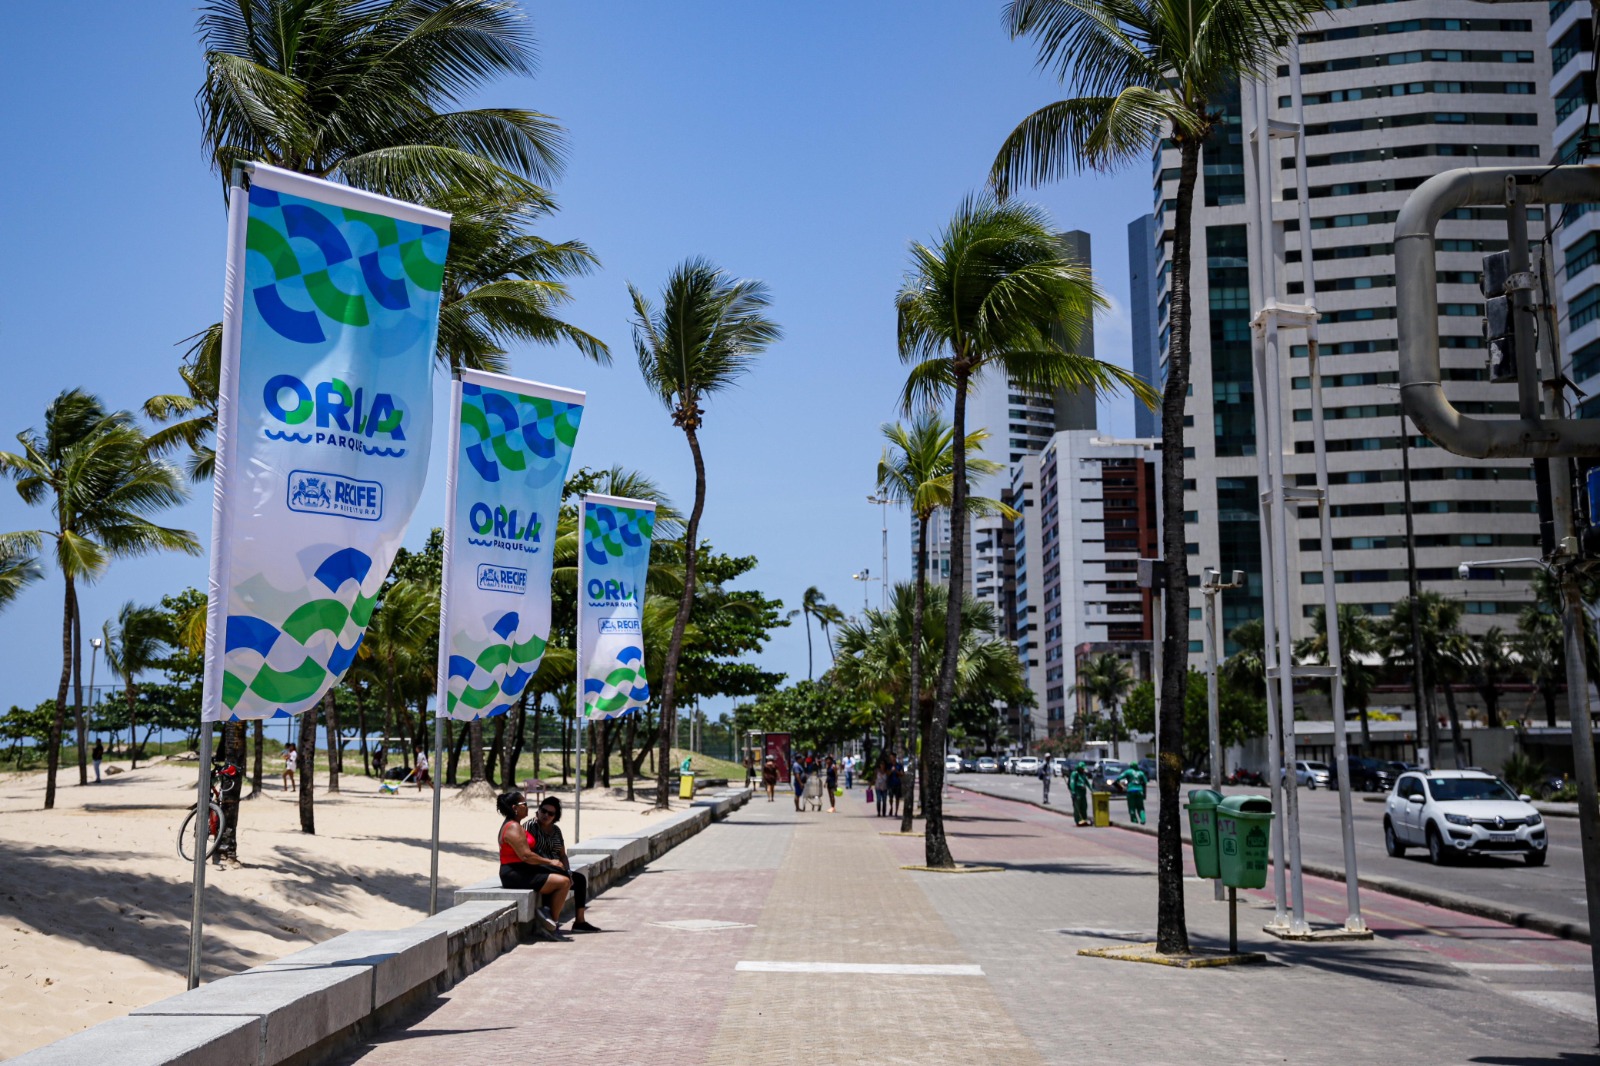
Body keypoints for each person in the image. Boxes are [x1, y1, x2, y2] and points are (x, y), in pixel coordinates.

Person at [496, 791, 568, 935]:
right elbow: (526, 856)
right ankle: (551, 925)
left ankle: (547, 915)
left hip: (522, 870)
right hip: (514, 873)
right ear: (515, 807)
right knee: (563, 882)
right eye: (524, 804)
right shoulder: (513, 827)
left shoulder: (515, 824)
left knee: (563, 876)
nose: (528, 807)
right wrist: (551, 862)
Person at [528, 796, 600, 932]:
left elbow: (562, 855)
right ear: (538, 810)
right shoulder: (531, 826)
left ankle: (580, 921)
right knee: (562, 880)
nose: (546, 815)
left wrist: (568, 871)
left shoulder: (556, 831)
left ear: (555, 817)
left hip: (557, 868)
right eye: (544, 811)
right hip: (540, 867)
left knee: (579, 879)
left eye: (551, 814)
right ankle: (551, 921)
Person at [1068, 760, 1091, 826]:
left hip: (1083, 793)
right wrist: (1073, 791)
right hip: (1077, 793)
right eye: (1082, 768)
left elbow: (1087, 782)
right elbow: (1072, 783)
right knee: (1077, 807)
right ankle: (1078, 820)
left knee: (1084, 806)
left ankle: (1084, 819)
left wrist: (1091, 789)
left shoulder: (1083, 774)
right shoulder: (1075, 774)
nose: (1083, 770)